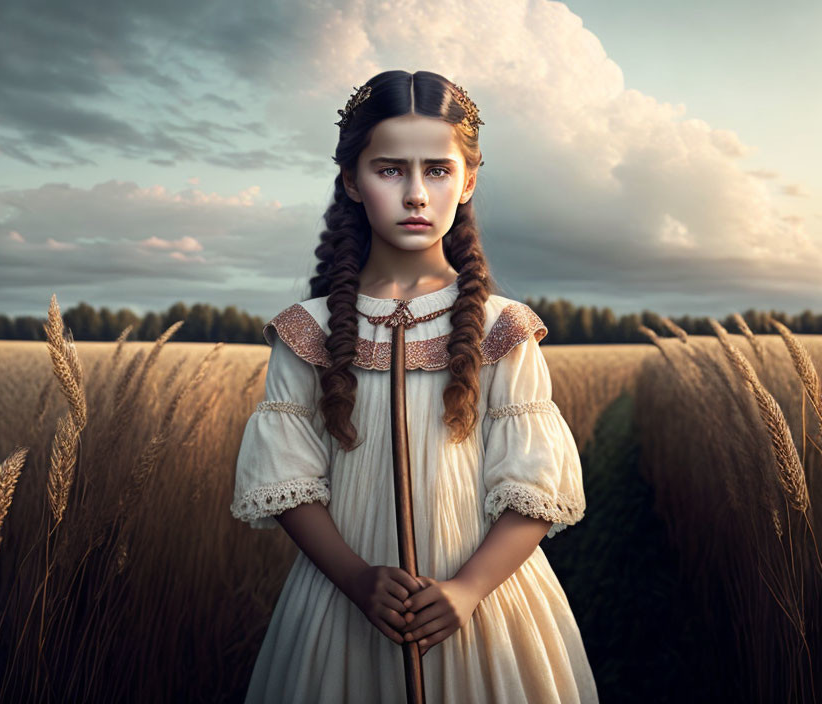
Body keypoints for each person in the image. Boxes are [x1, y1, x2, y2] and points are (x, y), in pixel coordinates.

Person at [230, 69, 599, 703]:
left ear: (469, 180)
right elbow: (289, 479)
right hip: (346, 605)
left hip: (485, 602)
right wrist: (356, 580)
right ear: (352, 180)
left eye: (437, 170)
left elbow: (531, 484)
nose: (416, 195)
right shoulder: (306, 332)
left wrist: (467, 590)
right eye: (391, 169)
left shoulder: (500, 327)